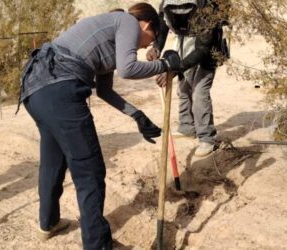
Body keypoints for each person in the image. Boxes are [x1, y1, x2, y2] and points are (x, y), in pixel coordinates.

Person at [17, 3, 180, 250]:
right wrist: (166, 65)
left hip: (36, 89)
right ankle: (98, 245)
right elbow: (129, 69)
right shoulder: (125, 21)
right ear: (147, 25)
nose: (146, 46)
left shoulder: (109, 39)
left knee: (53, 161)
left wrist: (137, 115)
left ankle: (48, 223)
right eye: (151, 39)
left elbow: (104, 90)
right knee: (90, 171)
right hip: (61, 90)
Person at [147, 0, 229, 157]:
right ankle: (187, 127)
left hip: (209, 49)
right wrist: (156, 47)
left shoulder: (207, 8)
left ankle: (206, 138)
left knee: (199, 91)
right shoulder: (166, 3)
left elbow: (203, 48)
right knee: (183, 85)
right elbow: (163, 27)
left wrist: (175, 68)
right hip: (184, 44)